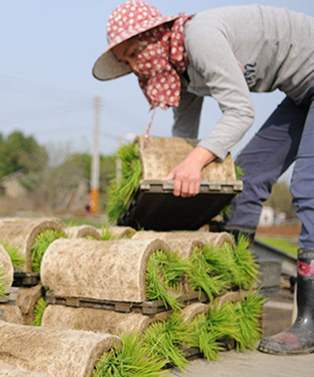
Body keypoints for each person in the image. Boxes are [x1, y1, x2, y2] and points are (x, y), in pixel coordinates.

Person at [93, 0, 314, 355]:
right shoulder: (182, 73)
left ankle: (310, 321)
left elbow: (240, 112)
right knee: (249, 176)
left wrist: (195, 163)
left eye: (135, 53)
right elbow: (186, 139)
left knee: (308, 186)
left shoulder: (200, 38)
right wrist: (168, 191)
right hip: (302, 94)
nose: (135, 66)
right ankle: (229, 290)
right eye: (126, 61)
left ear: (157, 35)